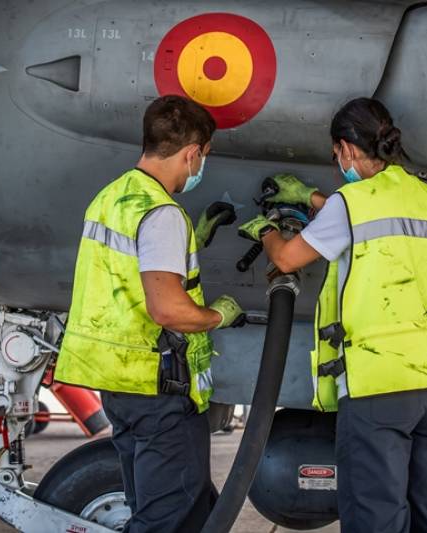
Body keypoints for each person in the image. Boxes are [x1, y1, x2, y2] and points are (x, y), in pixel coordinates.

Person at [239, 97, 427, 533]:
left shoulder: (350, 203)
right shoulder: (422, 196)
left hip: (377, 385)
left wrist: (264, 230)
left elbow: (286, 258)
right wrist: (312, 198)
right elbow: (366, 215)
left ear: (345, 148)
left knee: (374, 515)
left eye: (335, 153)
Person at [55, 95, 245, 533]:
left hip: (119, 386)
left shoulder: (111, 198)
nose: (199, 170)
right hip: (158, 389)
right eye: (203, 159)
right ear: (192, 152)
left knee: (178, 509)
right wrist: (218, 315)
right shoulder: (161, 213)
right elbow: (167, 309)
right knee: (168, 518)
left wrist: (190, 239)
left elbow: (125, 279)